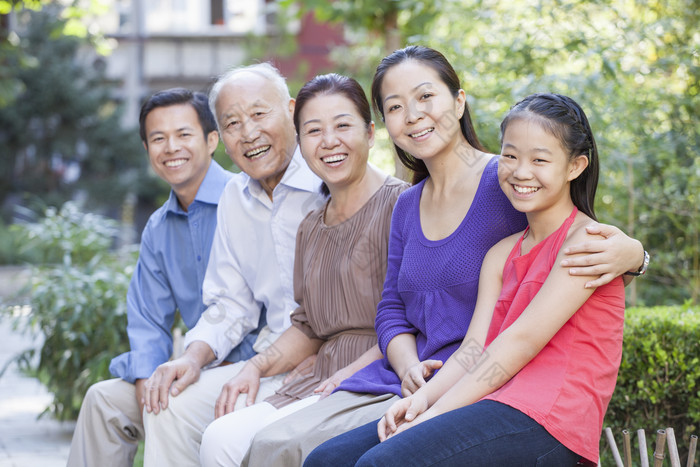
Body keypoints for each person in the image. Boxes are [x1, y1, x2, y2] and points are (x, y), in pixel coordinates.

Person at [244, 46, 646, 467]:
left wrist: (636, 254)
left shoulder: (576, 237)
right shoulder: (499, 253)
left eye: (538, 160)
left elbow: (517, 342)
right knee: (328, 459)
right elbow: (475, 348)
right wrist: (424, 401)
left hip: (547, 413)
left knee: (381, 463)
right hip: (487, 392)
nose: (521, 171)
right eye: (511, 156)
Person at [198, 73, 409, 466]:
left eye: (343, 126)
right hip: (320, 375)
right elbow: (308, 324)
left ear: (370, 133)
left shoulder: (403, 206)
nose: (329, 142)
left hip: (378, 377)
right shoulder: (312, 224)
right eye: (314, 131)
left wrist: (349, 371)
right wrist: (255, 368)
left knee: (271, 444)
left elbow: (415, 319)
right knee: (220, 439)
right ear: (300, 140)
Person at [139, 63, 326, 466]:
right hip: (269, 362)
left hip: (328, 361)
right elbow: (231, 304)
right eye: (233, 122)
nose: (248, 132)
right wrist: (191, 358)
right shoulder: (234, 199)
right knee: (169, 404)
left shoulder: (328, 182)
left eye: (259, 114)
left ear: (292, 112)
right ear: (221, 138)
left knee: (225, 437)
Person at [66, 88, 259, 467]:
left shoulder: (249, 199)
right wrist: (144, 377)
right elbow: (147, 316)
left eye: (184, 134)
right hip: (193, 369)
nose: (171, 147)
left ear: (212, 140)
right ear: (147, 149)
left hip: (257, 368)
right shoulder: (158, 227)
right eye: (158, 138)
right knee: (104, 401)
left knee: (168, 405)